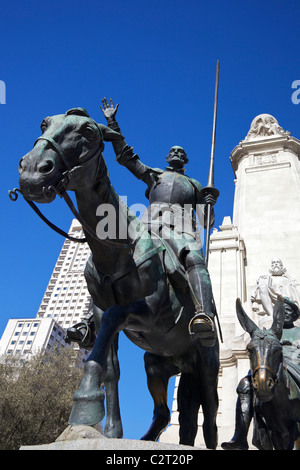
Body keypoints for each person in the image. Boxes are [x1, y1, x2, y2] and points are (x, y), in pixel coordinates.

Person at [100, 98, 219, 347]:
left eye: (181, 153)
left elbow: (207, 223)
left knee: (194, 260)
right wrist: (112, 123)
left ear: (185, 161)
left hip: (181, 228)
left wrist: (209, 202)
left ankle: (204, 314)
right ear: (167, 157)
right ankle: (92, 321)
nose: (176, 153)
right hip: (148, 225)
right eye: (173, 151)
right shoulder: (155, 175)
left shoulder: (195, 185)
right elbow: (126, 158)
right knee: (108, 253)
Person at [221, 297, 300, 450]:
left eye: (290, 311)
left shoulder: (298, 332)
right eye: (284, 311)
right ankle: (240, 436)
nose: (286, 314)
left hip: (295, 365)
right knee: (246, 382)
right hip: (271, 365)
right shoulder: (270, 332)